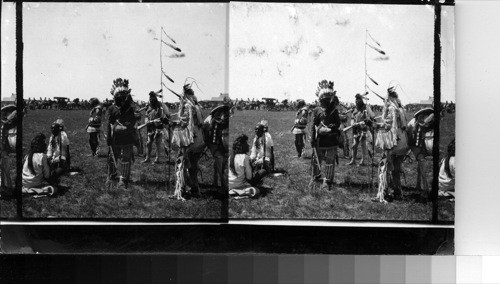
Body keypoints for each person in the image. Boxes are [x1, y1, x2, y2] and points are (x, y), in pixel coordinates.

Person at [373, 86, 409, 202]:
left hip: (393, 143)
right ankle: (397, 192)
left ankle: (383, 193)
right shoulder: (400, 108)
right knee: (396, 168)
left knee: (384, 167)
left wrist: (376, 125)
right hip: (403, 143)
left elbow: (389, 126)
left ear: (389, 99)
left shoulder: (391, 108)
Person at [171, 83, 205, 198]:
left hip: (189, 140)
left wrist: (172, 123)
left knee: (182, 164)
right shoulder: (196, 106)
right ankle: (195, 189)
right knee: (193, 165)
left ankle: (182, 190)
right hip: (199, 140)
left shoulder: (187, 106)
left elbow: (185, 122)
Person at [107, 78, 140, 188]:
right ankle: (112, 175)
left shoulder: (130, 108)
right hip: (115, 138)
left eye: (124, 94)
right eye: (120, 94)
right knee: (113, 158)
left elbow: (134, 119)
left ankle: (123, 179)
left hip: (127, 137)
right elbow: (109, 123)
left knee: (126, 158)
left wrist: (128, 127)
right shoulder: (112, 108)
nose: (122, 97)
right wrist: (109, 136)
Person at [309, 80, 341, 191]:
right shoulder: (317, 110)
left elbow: (338, 123)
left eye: (328, 99)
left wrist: (333, 126)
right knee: (316, 159)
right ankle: (316, 176)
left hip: (331, 140)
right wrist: (312, 138)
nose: (327, 101)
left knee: (330, 160)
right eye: (324, 99)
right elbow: (313, 125)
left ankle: (327, 180)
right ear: (320, 99)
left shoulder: (334, 110)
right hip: (320, 140)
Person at [204, 105, 230, 194]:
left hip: (220, 146)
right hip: (218, 146)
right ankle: (223, 186)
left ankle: (217, 182)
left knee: (220, 165)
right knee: (220, 166)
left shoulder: (221, 123)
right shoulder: (217, 123)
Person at [228, 134, 260, 199]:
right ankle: (241, 191)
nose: (248, 145)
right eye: (246, 143)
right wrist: (252, 168)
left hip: (229, 185)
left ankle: (235, 191)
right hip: (240, 185)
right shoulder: (245, 157)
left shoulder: (230, 157)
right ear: (242, 147)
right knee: (262, 173)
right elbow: (249, 177)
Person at [347, 93, 375, 166]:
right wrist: (353, 123)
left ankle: (363, 161)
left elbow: (372, 115)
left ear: (361, 100)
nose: (357, 102)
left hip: (364, 129)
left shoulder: (366, 107)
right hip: (356, 129)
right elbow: (352, 117)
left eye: (358, 100)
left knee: (363, 145)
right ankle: (353, 160)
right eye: (356, 101)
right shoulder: (355, 108)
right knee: (354, 145)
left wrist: (367, 120)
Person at [143, 91, 170, 164]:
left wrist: (159, 120)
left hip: (158, 127)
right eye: (150, 98)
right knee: (148, 143)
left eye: (152, 97)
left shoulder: (160, 105)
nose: (151, 99)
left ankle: (157, 159)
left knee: (158, 143)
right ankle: (147, 158)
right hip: (150, 127)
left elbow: (165, 116)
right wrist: (147, 121)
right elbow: (146, 115)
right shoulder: (148, 106)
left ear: (155, 98)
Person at [1, 104, 18, 191]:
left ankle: (6, 187)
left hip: (3, 149)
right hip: (3, 149)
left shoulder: (8, 125)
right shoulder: (5, 125)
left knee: (5, 169)